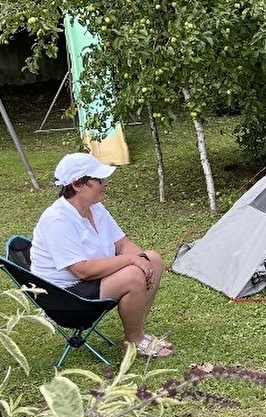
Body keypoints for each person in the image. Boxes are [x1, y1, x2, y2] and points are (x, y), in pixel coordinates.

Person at [32, 153, 171, 357]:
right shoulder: (57, 220)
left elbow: (122, 243)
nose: (105, 183)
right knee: (133, 275)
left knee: (153, 260)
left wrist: (142, 261)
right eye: (99, 179)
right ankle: (134, 341)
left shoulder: (95, 208)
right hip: (66, 297)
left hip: (89, 282)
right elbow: (82, 270)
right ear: (77, 185)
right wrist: (132, 261)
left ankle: (138, 331)